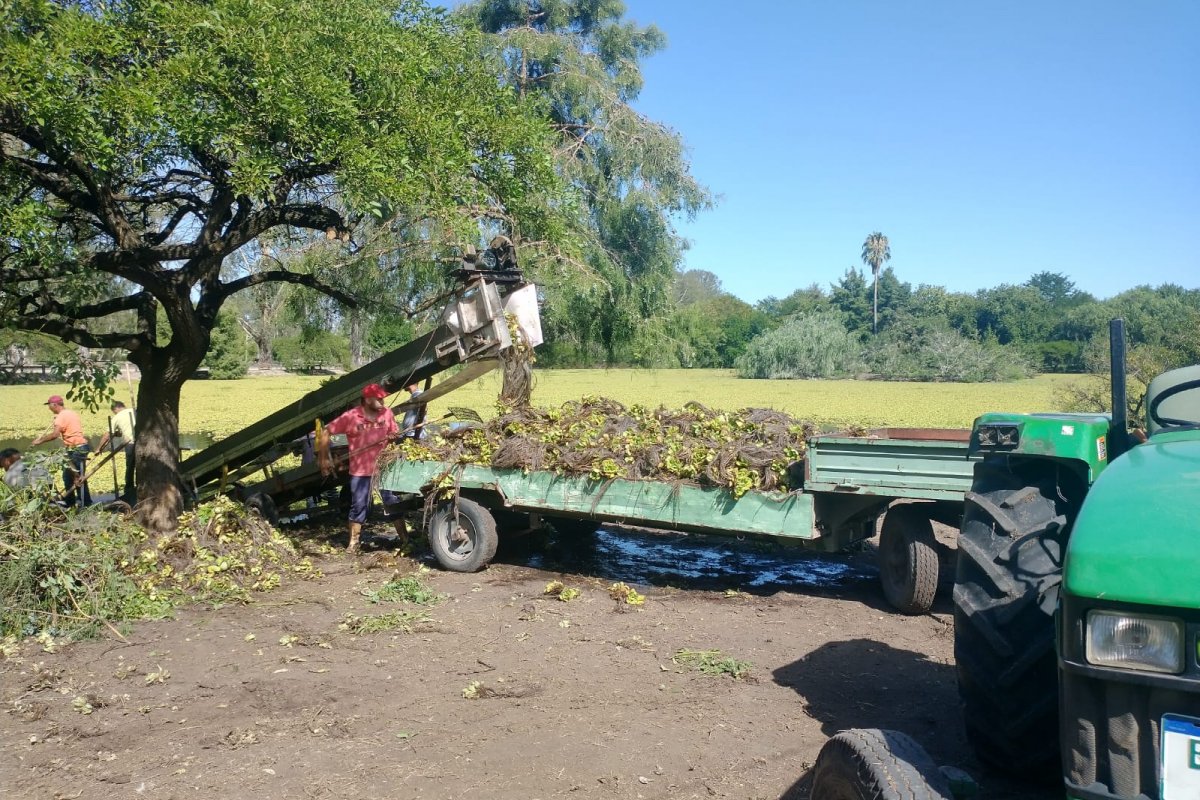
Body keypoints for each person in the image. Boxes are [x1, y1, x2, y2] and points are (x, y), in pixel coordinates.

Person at [316, 383, 406, 553]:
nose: (383, 401)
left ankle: (404, 539)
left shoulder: (387, 413)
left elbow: (393, 433)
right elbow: (325, 432)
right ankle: (353, 543)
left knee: (392, 502)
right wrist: (324, 459)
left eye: (383, 398)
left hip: (384, 468)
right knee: (359, 506)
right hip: (360, 471)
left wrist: (393, 437)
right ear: (368, 400)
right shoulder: (351, 417)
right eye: (379, 399)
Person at [31, 395, 91, 507]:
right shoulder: (70, 413)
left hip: (76, 449)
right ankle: (77, 502)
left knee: (74, 477)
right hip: (80, 447)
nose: (49, 408)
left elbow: (55, 435)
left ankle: (80, 503)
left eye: (49, 405)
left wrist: (40, 441)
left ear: (54, 405)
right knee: (74, 476)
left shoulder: (60, 417)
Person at [96, 400, 136, 504]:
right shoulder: (134, 411)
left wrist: (99, 448)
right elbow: (126, 429)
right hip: (143, 442)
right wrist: (118, 433)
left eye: (114, 412)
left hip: (131, 443)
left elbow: (107, 435)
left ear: (116, 409)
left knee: (130, 467)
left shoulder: (117, 417)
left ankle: (129, 489)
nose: (114, 413)